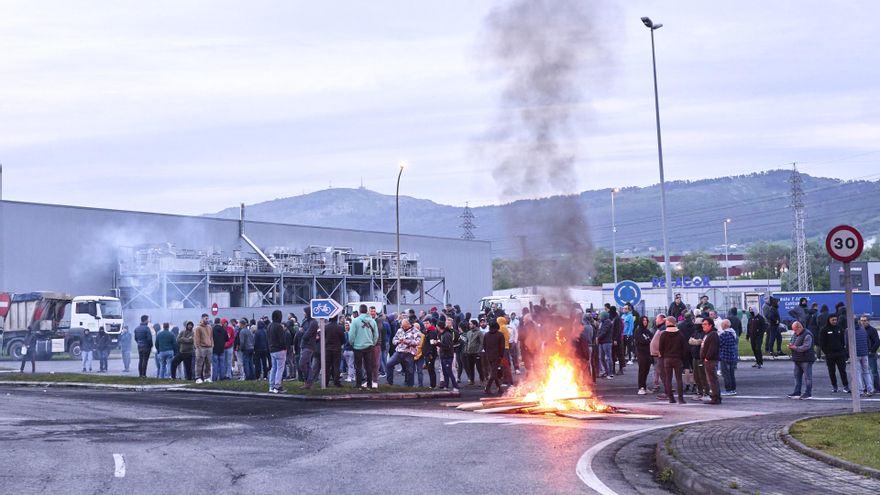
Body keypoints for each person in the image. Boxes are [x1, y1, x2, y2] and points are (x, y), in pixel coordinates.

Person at [818, 314, 850, 393]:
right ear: (829, 320)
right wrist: (827, 352)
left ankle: (846, 386)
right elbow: (822, 343)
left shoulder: (839, 328)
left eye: (836, 320)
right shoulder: (824, 330)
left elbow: (843, 340)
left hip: (840, 354)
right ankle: (834, 386)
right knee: (832, 371)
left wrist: (843, 350)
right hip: (830, 355)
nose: (835, 321)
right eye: (833, 320)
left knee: (842, 370)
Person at [350, 304, 378, 389]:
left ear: (359, 311)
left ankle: (358, 384)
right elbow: (376, 335)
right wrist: (373, 343)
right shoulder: (372, 321)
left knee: (358, 366)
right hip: (368, 346)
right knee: (368, 366)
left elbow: (352, 335)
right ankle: (369, 384)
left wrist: (352, 343)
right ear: (367, 311)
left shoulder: (355, 321)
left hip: (357, 346)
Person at [658, 316, 685, 404]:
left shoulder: (664, 334)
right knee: (679, 379)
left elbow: (661, 348)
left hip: (667, 358)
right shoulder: (680, 334)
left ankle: (671, 398)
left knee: (668, 379)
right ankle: (681, 399)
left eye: (666, 322)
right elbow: (683, 347)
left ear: (669, 322)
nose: (665, 323)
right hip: (677, 358)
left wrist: (663, 355)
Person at [386, 319, 420, 386]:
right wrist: (398, 341)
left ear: (408, 324)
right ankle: (389, 383)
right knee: (389, 364)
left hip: (409, 353)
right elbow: (394, 340)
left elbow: (417, 342)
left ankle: (409, 385)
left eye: (405, 326)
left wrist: (407, 342)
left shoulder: (416, 331)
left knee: (410, 370)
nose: (403, 328)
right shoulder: (400, 330)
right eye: (402, 326)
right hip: (399, 351)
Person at [787, 321, 815, 399]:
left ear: (800, 327)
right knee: (797, 376)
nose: (794, 331)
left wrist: (794, 347)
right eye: (793, 330)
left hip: (806, 359)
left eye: (795, 329)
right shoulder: (795, 334)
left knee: (808, 377)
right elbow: (792, 341)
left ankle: (808, 393)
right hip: (797, 359)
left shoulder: (807, 335)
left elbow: (806, 347)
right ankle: (797, 392)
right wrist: (791, 345)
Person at [700, 317, 721, 405]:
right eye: (702, 324)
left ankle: (715, 397)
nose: (703, 326)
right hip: (708, 361)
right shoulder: (708, 334)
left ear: (710, 325)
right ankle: (715, 396)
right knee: (711, 379)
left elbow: (713, 348)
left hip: (710, 361)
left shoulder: (713, 334)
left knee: (712, 379)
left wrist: (707, 357)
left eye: (705, 324)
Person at [483, 320, 505, 395]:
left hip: (489, 356)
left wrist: (487, 353)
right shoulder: (500, 335)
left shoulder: (486, 335)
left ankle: (499, 388)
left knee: (494, 372)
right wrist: (501, 356)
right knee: (493, 373)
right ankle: (487, 388)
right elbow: (502, 347)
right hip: (497, 356)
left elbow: (484, 346)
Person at [267, 310, 287, 393]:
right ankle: (277, 386)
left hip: (272, 349)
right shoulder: (279, 326)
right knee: (280, 368)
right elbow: (282, 339)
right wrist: (285, 347)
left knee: (273, 368)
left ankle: (271, 386)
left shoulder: (269, 326)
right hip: (280, 349)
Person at [322, 315, 345, 387]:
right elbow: (343, 339)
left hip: (327, 349)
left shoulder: (325, 327)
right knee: (336, 366)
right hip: (337, 349)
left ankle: (325, 382)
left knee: (327, 366)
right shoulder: (340, 327)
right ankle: (336, 382)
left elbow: (323, 337)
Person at [854, 318, 874, 397]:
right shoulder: (863, 330)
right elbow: (868, 342)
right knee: (866, 372)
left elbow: (847, 343)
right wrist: (867, 350)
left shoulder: (848, 331)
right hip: (864, 354)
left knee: (857, 372)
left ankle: (860, 390)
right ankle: (870, 389)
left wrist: (847, 354)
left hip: (856, 354)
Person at [634, 315, 654, 395]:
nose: (645, 322)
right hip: (641, 353)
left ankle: (644, 386)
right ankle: (641, 387)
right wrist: (648, 341)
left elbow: (652, 339)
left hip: (648, 353)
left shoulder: (647, 331)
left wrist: (649, 341)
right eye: (643, 320)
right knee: (642, 370)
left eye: (646, 320)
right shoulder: (638, 331)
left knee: (646, 370)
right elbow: (641, 341)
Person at [438, 319, 459, 392]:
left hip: (447, 356)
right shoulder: (443, 334)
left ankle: (455, 386)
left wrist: (438, 344)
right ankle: (446, 386)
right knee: (445, 372)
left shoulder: (446, 334)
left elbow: (447, 346)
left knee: (449, 371)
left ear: (439, 327)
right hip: (444, 355)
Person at [719, 319, 738, 396]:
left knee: (726, 374)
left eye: (722, 324)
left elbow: (719, 344)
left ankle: (728, 389)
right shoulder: (733, 333)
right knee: (731, 374)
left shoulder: (724, 335)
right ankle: (733, 389)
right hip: (732, 356)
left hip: (725, 356)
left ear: (725, 325)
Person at [193, 313, 214, 383]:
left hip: (209, 347)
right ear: (202, 319)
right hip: (201, 348)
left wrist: (212, 345)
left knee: (208, 363)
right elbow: (196, 339)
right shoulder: (198, 328)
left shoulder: (209, 327)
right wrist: (198, 347)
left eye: (208, 318)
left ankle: (207, 377)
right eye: (206, 318)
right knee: (199, 363)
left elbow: (211, 337)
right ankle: (198, 377)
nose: (207, 320)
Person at [464, 319, 485, 385]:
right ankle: (472, 380)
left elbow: (482, 343)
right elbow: (466, 342)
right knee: (470, 367)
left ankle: (482, 380)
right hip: (469, 353)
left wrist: (479, 351)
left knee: (479, 367)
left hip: (476, 353)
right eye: (470, 324)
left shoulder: (479, 332)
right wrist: (466, 350)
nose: (469, 325)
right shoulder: (469, 332)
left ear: (475, 325)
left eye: (471, 324)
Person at [862, 315, 879, 394]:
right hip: (862, 354)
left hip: (871, 354)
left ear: (868, 321)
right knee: (864, 372)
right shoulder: (860, 330)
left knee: (874, 372)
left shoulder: (872, 330)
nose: (863, 322)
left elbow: (877, 342)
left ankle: (877, 388)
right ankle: (866, 387)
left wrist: (872, 351)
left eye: (865, 320)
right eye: (862, 320)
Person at [649, 314, 666, 392]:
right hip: (656, 353)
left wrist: (660, 351)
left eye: (657, 319)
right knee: (658, 369)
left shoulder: (662, 328)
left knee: (660, 369)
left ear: (662, 319)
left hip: (659, 353)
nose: (655, 320)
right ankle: (658, 384)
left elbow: (663, 341)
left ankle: (666, 386)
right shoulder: (659, 328)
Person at [597, 311, 614, 379]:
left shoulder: (607, 322)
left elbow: (604, 331)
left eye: (601, 316)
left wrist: (598, 337)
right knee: (601, 358)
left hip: (607, 342)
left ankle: (610, 373)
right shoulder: (602, 322)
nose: (600, 317)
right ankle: (607, 372)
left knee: (608, 357)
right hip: (602, 342)